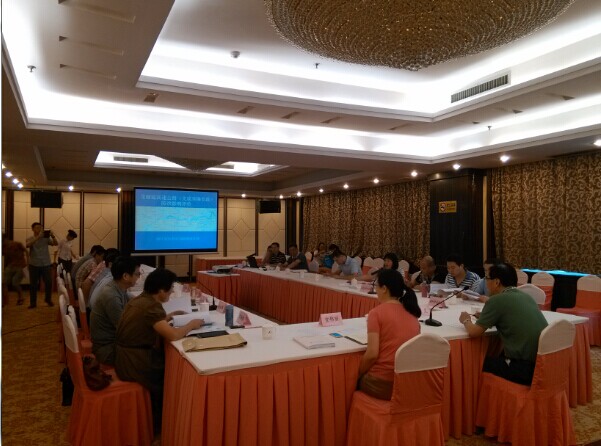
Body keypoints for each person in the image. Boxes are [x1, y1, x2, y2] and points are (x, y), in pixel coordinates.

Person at [115, 268, 204, 437]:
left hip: (124, 356)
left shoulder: (142, 299)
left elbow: (150, 321)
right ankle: (163, 422)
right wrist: (191, 324)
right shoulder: (151, 307)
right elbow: (174, 335)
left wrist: (170, 316)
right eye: (170, 290)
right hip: (134, 362)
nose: (171, 293)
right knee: (172, 374)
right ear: (161, 290)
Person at [459, 263, 548, 385]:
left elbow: (474, 332)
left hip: (523, 368)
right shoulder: (526, 296)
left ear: (496, 282)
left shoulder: (496, 300)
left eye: (487, 278)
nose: (485, 282)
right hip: (542, 365)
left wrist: (466, 320)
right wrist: (488, 317)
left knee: (476, 362)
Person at [358, 269, 421, 400]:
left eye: (376, 285)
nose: (375, 290)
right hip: (405, 384)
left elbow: (372, 354)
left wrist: (358, 373)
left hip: (381, 383)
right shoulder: (413, 315)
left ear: (384, 289)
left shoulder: (376, 313)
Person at [90, 256, 141, 365]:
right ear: (126, 276)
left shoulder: (118, 287)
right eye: (137, 274)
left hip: (113, 343)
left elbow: (136, 301)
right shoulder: (112, 296)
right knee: (152, 357)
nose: (139, 277)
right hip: (107, 350)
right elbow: (125, 329)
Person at [26, 222, 58, 308]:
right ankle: (33, 303)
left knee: (49, 282)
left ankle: (48, 299)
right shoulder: (30, 238)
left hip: (46, 264)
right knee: (33, 284)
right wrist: (38, 237)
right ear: (33, 229)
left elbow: (55, 243)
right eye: (37, 228)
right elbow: (27, 245)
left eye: (40, 228)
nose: (39, 229)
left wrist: (53, 236)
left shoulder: (45, 238)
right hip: (34, 264)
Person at [2, 234, 28, 306]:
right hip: (10, 266)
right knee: (4, 283)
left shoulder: (17, 244)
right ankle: (4, 300)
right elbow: (6, 257)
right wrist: (5, 267)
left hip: (20, 266)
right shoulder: (3, 247)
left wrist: (27, 264)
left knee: (15, 283)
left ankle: (21, 298)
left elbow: (26, 251)